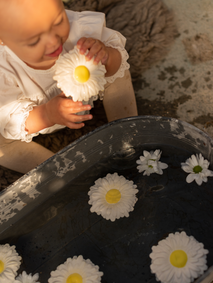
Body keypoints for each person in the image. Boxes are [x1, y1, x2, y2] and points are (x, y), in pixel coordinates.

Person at [0, 0, 138, 174]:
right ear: (2, 40)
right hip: (35, 118)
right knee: (2, 146)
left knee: (118, 70)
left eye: (58, 22)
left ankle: (127, 133)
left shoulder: (79, 30)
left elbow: (116, 55)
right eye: (34, 40)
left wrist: (106, 55)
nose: (53, 41)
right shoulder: (4, 72)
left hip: (87, 89)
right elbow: (9, 119)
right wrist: (47, 115)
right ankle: (61, 172)